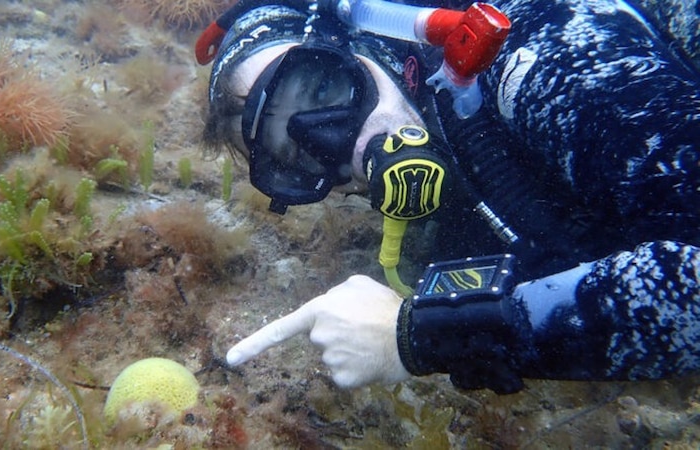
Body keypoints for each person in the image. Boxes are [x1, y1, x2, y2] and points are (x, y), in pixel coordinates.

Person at [196, 0, 700, 394]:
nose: (340, 146)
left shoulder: (532, 61)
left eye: (320, 92)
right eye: (297, 158)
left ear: (360, 43)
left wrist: (420, 338)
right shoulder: (445, 131)